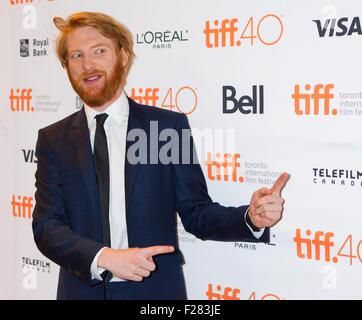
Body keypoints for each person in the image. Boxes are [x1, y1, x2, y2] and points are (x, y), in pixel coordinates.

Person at [32, 11, 290, 300]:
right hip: (81, 291)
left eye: (99, 51)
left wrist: (250, 218)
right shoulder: (53, 139)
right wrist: (103, 257)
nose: (88, 64)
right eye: (76, 56)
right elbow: (47, 227)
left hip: (155, 293)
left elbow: (197, 213)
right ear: (66, 66)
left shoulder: (166, 128)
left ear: (123, 56)